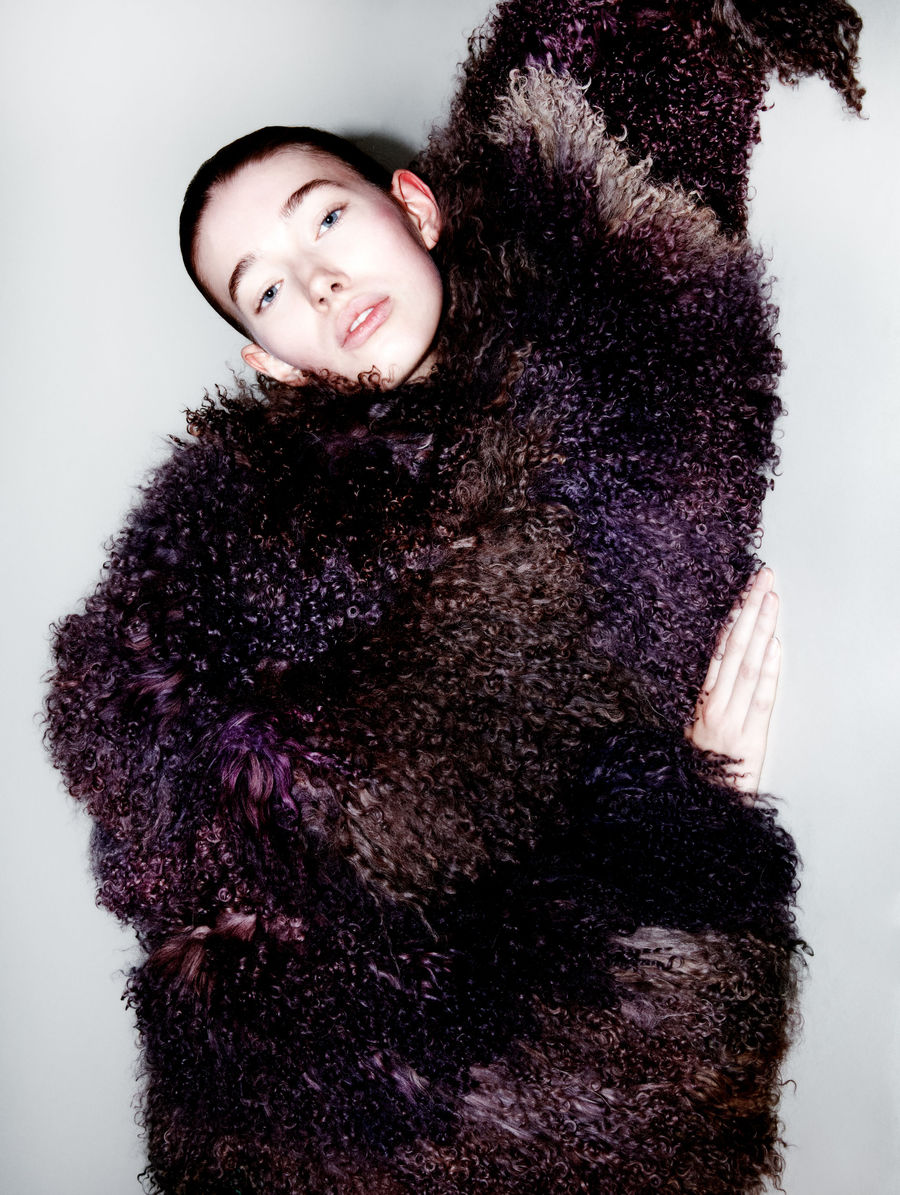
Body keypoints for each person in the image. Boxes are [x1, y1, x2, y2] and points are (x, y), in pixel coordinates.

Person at [45, 1, 862, 1191]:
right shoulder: (222, 568)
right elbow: (187, 838)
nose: (320, 279)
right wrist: (678, 819)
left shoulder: (603, 350)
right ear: (272, 364)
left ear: (414, 208)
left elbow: (607, 84)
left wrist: (669, 831)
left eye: (326, 217)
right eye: (265, 290)